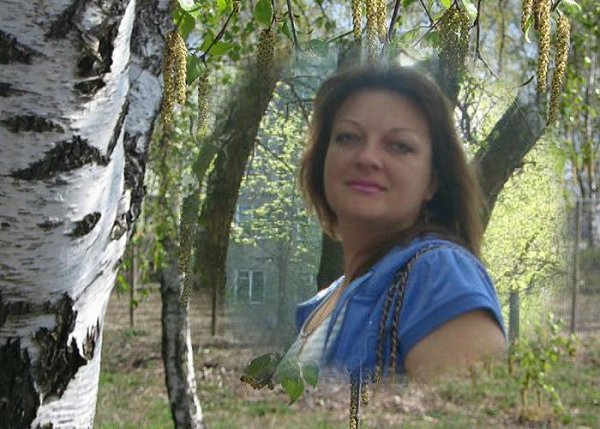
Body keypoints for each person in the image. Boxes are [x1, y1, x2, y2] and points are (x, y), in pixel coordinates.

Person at [285, 64, 506, 384]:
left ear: (432, 181)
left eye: (399, 145)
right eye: (348, 137)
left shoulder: (439, 275)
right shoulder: (325, 300)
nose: (367, 158)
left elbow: (470, 409)